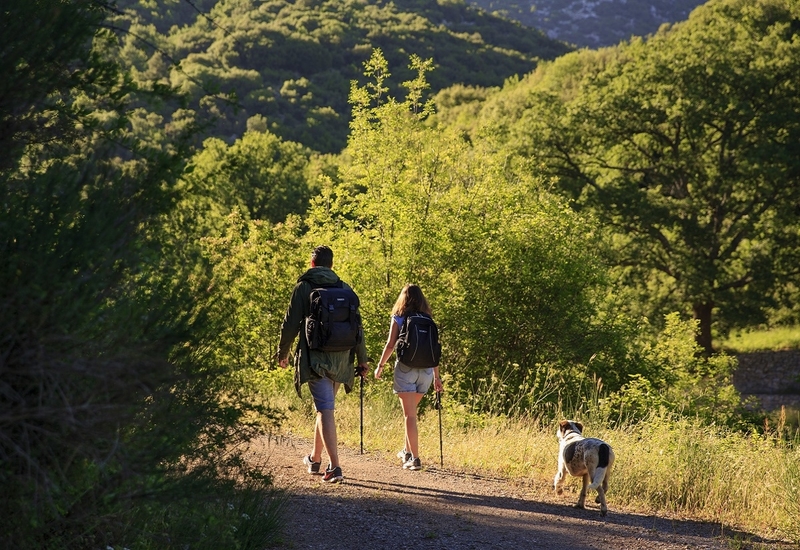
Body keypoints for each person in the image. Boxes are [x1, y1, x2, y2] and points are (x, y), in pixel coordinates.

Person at [278, 245, 369, 483]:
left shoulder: (304, 287)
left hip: (315, 358)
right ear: (331, 265)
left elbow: (290, 324)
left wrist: (282, 353)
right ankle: (315, 458)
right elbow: (358, 328)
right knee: (325, 408)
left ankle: (335, 467)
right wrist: (363, 359)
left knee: (325, 409)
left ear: (312, 263)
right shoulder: (344, 287)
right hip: (342, 358)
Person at [374, 284, 443, 471]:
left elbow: (390, 344)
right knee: (411, 414)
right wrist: (437, 377)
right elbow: (434, 350)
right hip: (427, 372)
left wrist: (380, 366)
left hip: (406, 370)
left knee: (409, 416)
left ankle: (415, 458)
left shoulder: (399, 317)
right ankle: (406, 451)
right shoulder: (428, 319)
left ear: (403, 298)